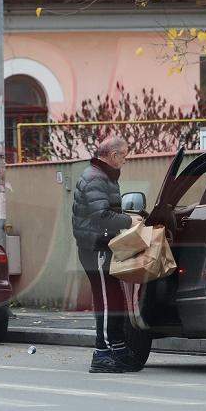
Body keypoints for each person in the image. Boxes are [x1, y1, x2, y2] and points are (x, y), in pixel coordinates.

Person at [72, 135, 143, 373]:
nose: (125, 160)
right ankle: (102, 353)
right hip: (96, 248)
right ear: (113, 156)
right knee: (106, 300)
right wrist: (129, 219)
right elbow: (101, 216)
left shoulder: (104, 177)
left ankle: (118, 348)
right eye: (124, 155)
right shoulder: (96, 178)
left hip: (103, 246)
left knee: (113, 299)